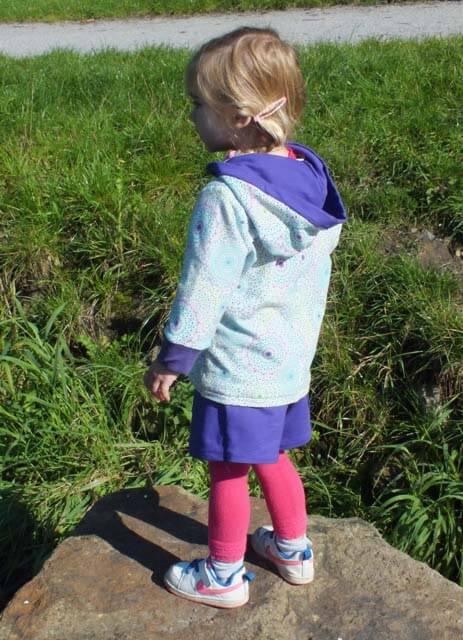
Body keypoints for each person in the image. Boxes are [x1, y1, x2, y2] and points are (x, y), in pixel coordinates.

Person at [143, 26, 347, 608]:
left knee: (228, 468)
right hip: (288, 362)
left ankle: (223, 575)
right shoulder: (308, 179)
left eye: (197, 104)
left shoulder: (229, 197)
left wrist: (174, 358)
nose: (190, 115)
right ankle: (293, 550)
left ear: (237, 116)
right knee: (274, 456)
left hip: (238, 367)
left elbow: (204, 287)